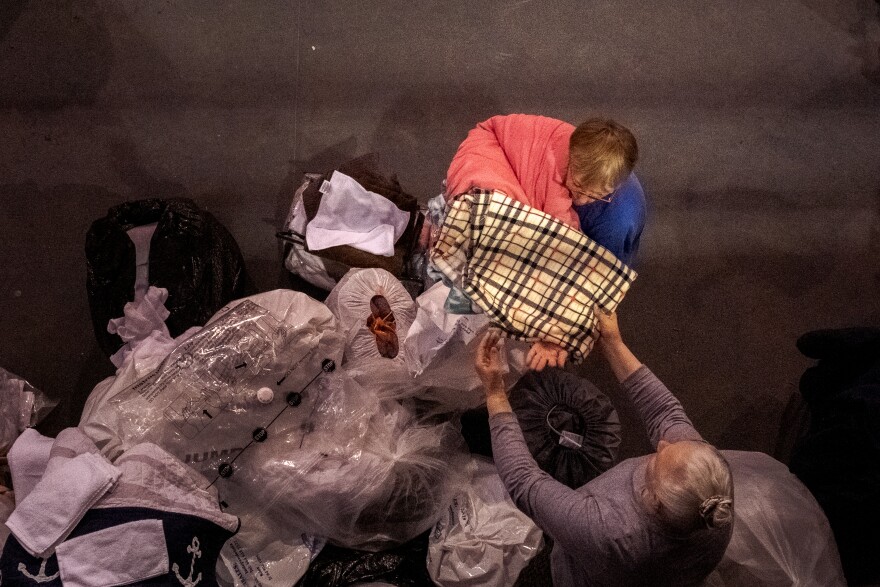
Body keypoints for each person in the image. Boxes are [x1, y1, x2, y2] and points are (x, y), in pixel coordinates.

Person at [475, 310, 734, 587]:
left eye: (657, 459)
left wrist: (495, 392)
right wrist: (613, 343)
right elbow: (664, 412)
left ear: (653, 501)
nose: (662, 442)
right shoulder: (711, 493)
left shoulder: (606, 531)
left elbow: (524, 481)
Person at [446, 113, 647, 267]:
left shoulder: (618, 221)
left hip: (613, 234)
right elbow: (556, 219)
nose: (581, 200)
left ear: (617, 186)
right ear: (571, 157)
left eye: (594, 195)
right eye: (576, 186)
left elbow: (599, 275)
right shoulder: (565, 149)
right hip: (493, 145)